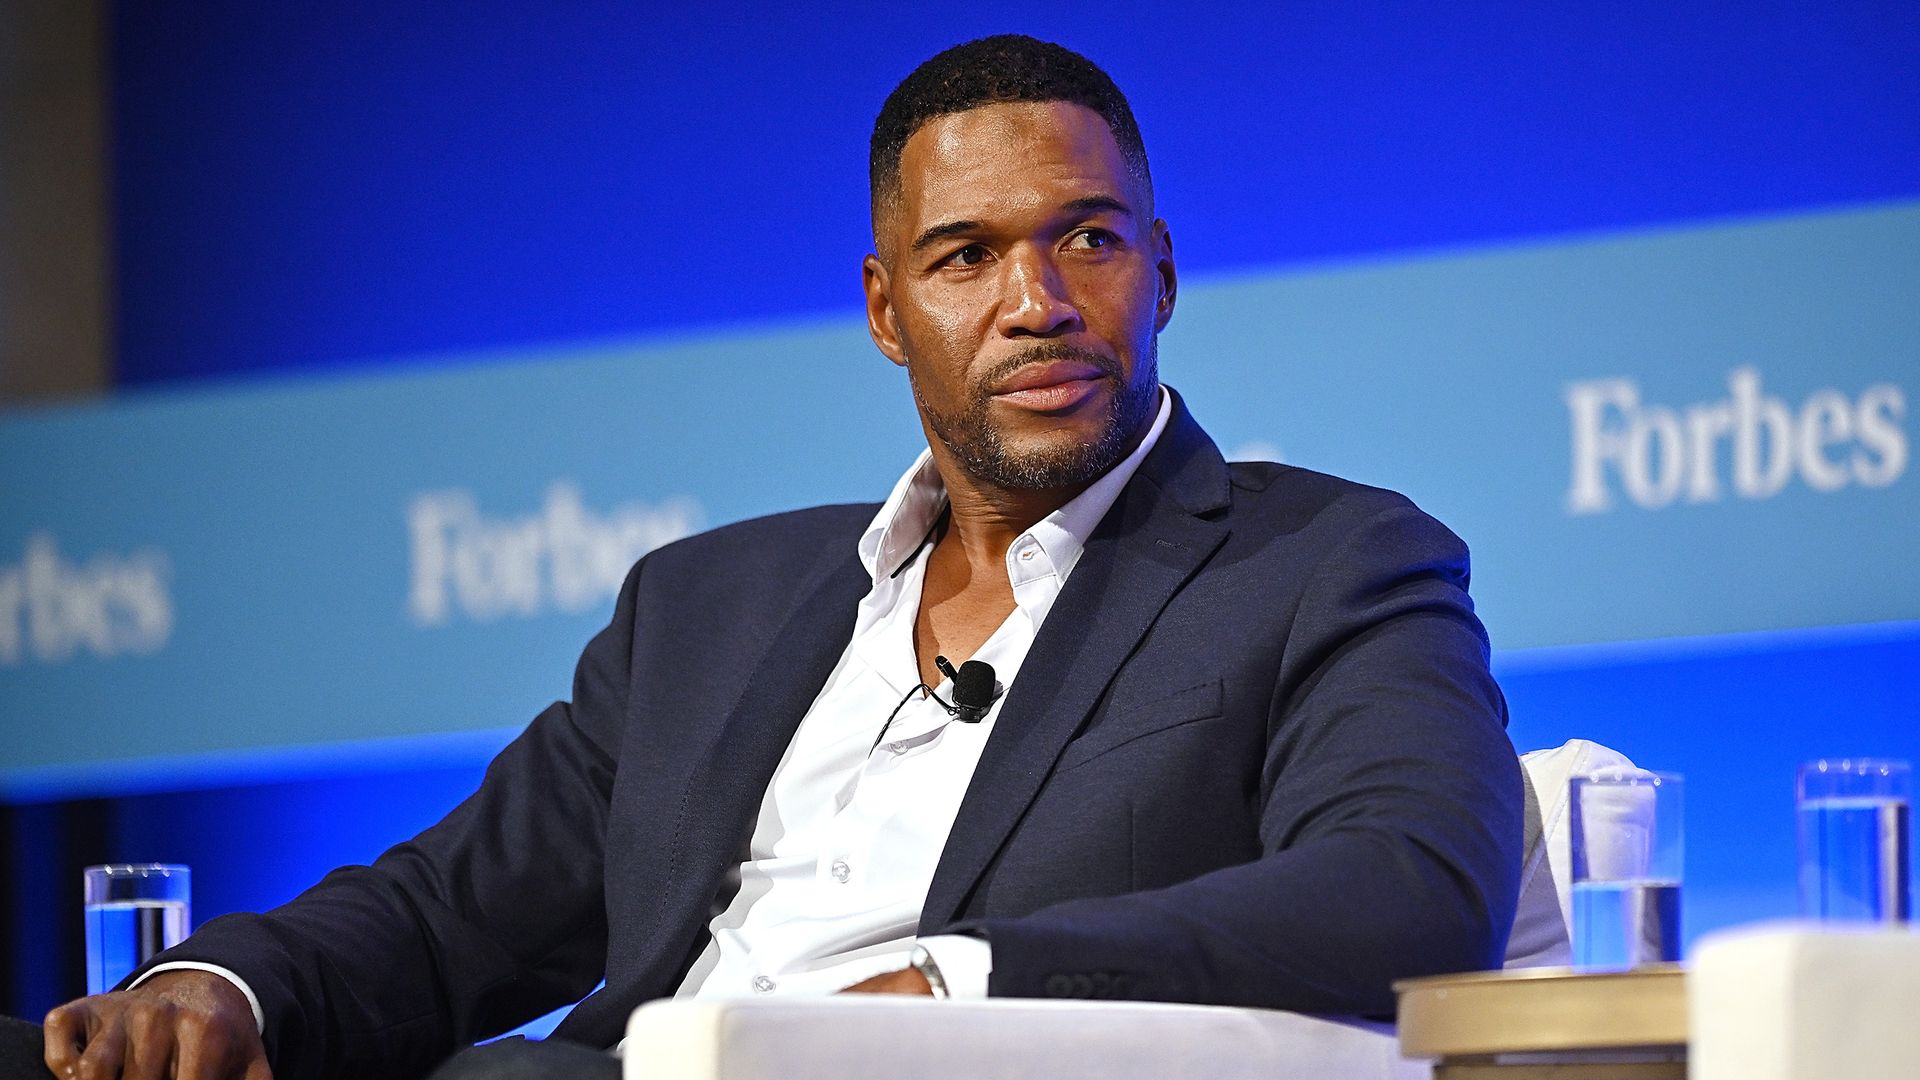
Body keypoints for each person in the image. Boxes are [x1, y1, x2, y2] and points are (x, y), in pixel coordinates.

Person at [26, 34, 1520, 1080]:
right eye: (966, 255)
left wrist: (961, 990)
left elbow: (1407, 883)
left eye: (1088, 239)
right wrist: (222, 986)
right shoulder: (707, 605)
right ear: (884, 310)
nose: (1038, 301)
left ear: (1164, 271)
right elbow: (448, 913)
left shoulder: (1327, 561)